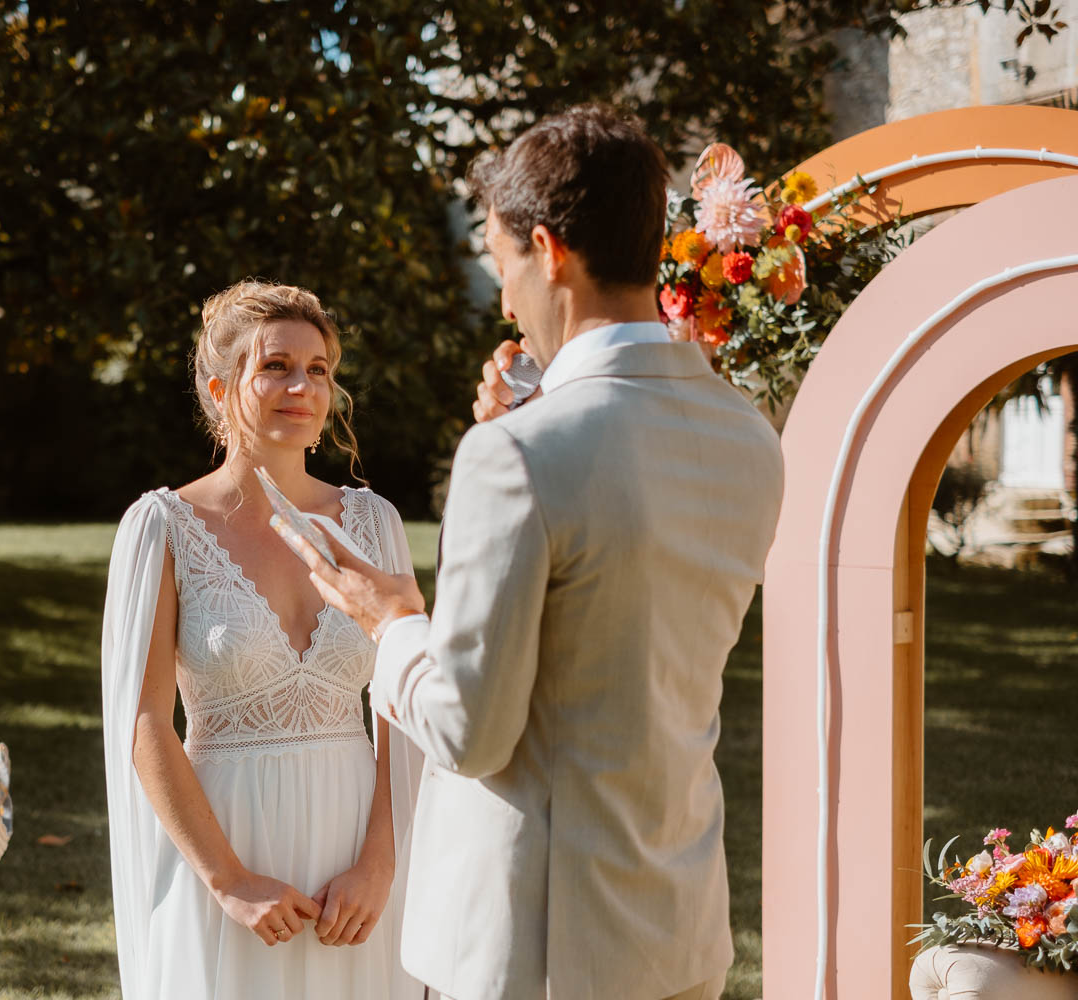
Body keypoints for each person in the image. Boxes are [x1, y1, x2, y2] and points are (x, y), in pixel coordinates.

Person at [293, 105, 785, 1000]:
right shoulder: (748, 436)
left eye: (502, 262)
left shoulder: (517, 456)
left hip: (537, 949)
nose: (505, 298)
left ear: (549, 250)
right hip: (677, 928)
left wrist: (394, 623)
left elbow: (470, 732)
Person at [101, 279, 427, 999]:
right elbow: (147, 723)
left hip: (358, 852)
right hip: (229, 836)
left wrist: (382, 861)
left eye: (318, 370)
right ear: (222, 388)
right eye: (275, 366)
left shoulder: (374, 523)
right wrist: (230, 880)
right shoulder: (163, 527)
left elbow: (405, 707)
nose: (302, 386)